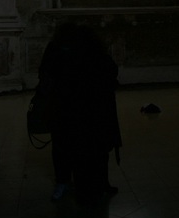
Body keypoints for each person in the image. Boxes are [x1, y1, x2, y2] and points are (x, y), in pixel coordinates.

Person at [38, 23, 122, 203]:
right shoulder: (89, 53)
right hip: (78, 110)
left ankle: (76, 182)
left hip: (73, 109)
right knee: (85, 148)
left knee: (70, 147)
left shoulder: (74, 53)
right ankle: (90, 183)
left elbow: (46, 75)